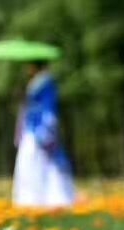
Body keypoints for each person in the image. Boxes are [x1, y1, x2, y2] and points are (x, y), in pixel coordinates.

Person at [12, 61, 75, 208]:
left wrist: (46, 131)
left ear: (35, 65)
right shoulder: (36, 83)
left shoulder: (46, 83)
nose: (27, 68)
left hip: (39, 131)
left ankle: (41, 199)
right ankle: (33, 199)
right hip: (31, 129)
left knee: (41, 163)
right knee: (32, 163)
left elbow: (48, 110)